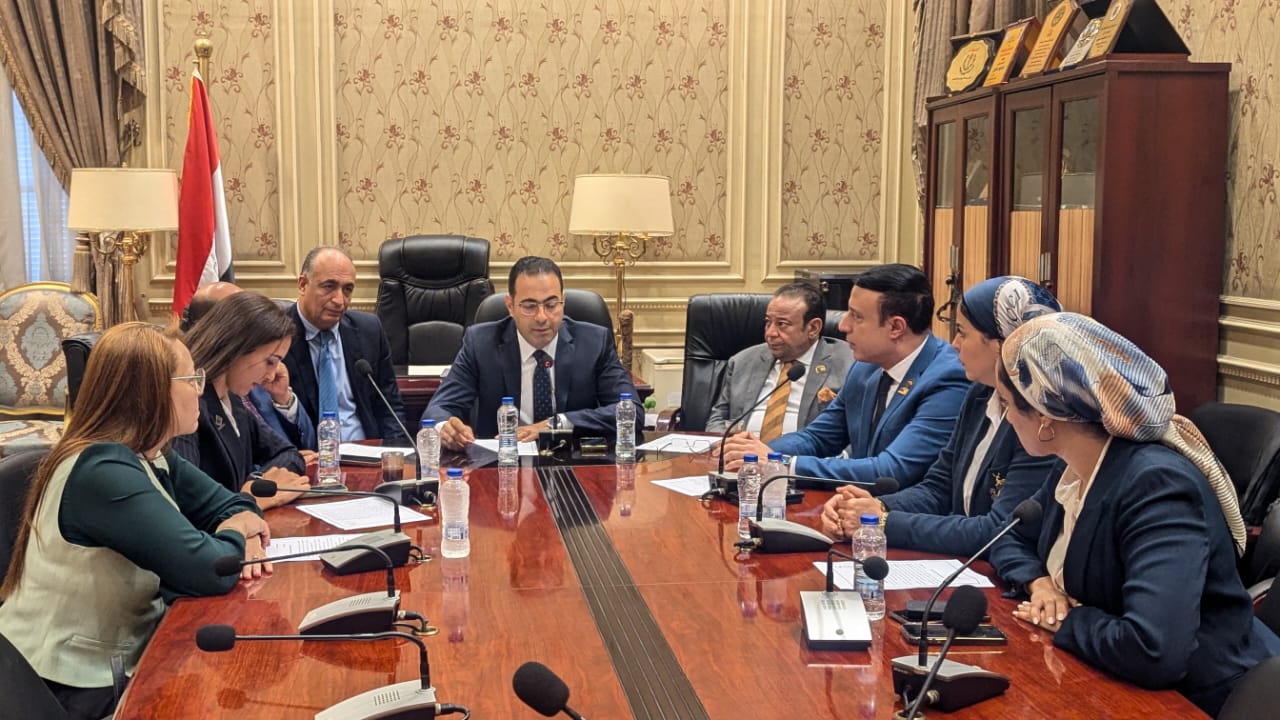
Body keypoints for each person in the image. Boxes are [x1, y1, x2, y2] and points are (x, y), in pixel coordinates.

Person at [988, 312, 1278, 716]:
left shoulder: (1156, 485)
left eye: (1006, 403)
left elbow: (1154, 649)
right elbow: (1009, 537)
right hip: (1100, 676)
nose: (1004, 418)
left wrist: (1068, 621)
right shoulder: (1074, 460)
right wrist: (1041, 587)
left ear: (1044, 415)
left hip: (1200, 700)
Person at [0, 322, 270, 720]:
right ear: (151, 391)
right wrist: (236, 531)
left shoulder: (150, 453)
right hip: (74, 685)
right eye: (191, 379)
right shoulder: (102, 471)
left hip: (130, 654)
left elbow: (231, 503)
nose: (200, 390)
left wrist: (242, 520)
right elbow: (209, 569)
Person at [821, 276, 1060, 555]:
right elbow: (938, 488)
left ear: (1003, 345)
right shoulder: (980, 394)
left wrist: (883, 522)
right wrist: (874, 506)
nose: (954, 344)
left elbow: (998, 529)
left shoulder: (1041, 420)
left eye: (962, 333)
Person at [720, 263, 968, 488]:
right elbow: (819, 438)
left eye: (856, 316)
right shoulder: (866, 367)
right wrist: (755, 453)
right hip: (851, 506)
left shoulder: (947, 379)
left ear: (896, 327)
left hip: (901, 514)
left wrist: (781, 464)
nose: (843, 325)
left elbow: (890, 470)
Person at [426, 256, 640, 450]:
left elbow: (633, 412)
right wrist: (445, 428)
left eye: (551, 305)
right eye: (529, 306)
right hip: (502, 462)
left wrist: (555, 424)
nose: (542, 317)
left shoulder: (594, 342)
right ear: (510, 306)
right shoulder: (480, 343)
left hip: (574, 461)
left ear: (563, 302)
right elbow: (439, 408)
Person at [173, 292, 312, 510]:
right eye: (270, 362)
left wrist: (258, 483)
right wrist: (248, 498)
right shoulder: (190, 406)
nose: (271, 375)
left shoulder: (234, 402)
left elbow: (289, 454)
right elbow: (187, 506)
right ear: (237, 347)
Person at [282, 246, 407, 446]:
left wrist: (394, 451)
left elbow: (389, 407)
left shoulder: (369, 330)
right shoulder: (276, 337)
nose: (340, 300)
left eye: (347, 289)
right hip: (308, 456)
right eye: (329, 287)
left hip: (367, 452)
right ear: (303, 285)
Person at [180, 281, 316, 452]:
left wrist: (283, 398)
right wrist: (268, 469)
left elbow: (300, 447)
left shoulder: (244, 389)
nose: (271, 373)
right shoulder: (192, 400)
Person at [705, 282, 853, 438]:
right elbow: (717, 420)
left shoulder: (848, 362)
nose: (770, 333)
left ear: (813, 328)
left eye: (782, 324)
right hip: (743, 451)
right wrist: (730, 444)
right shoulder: (742, 361)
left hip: (804, 452)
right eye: (768, 322)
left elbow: (858, 432)